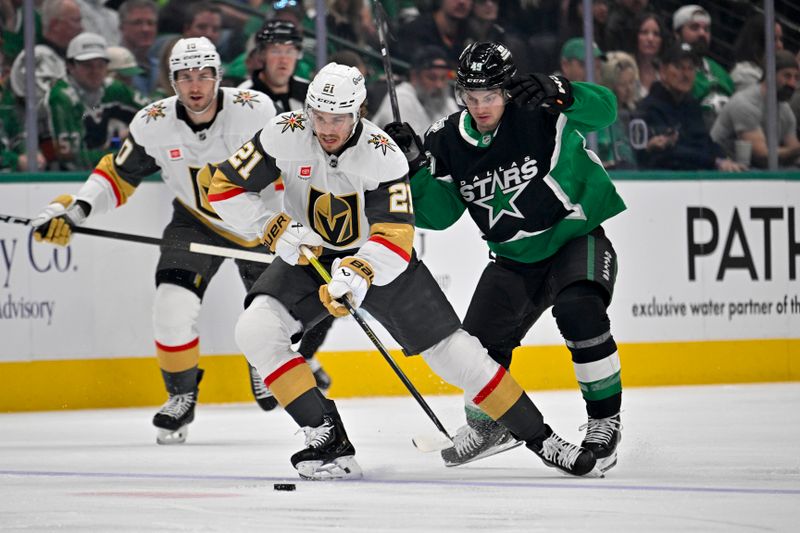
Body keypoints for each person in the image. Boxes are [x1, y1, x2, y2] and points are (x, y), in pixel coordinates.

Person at [207, 61, 601, 480]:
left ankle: (543, 439)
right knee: (255, 330)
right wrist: (271, 225)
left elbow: (395, 235)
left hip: (379, 261)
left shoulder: (382, 155)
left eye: (338, 118)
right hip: (310, 255)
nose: (326, 128)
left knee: (457, 355)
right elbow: (224, 187)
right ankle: (327, 438)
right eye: (318, 116)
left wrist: (357, 272)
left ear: (358, 112)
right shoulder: (283, 132)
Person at [30, 37, 330, 445]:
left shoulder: (255, 110)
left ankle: (264, 363)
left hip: (263, 222)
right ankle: (181, 395)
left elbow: (301, 157)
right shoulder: (152, 123)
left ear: (219, 77)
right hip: (195, 222)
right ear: (172, 82)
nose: (195, 85)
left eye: (204, 75)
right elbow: (118, 174)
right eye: (185, 76)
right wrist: (77, 210)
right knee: (171, 307)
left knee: (271, 316)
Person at [385, 41, 624, 472]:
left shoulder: (539, 108)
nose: (480, 107)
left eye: (490, 96)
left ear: (508, 90)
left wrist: (562, 90)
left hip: (575, 238)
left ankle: (605, 421)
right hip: (513, 260)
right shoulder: (444, 139)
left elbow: (606, 111)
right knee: (474, 350)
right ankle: (490, 426)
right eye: (471, 97)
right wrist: (416, 169)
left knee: (580, 309)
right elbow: (441, 216)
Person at [43, 32, 146, 170]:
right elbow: (70, 156)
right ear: (70, 66)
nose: (95, 71)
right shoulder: (61, 97)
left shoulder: (112, 88)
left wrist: (136, 131)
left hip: (105, 170)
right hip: (60, 176)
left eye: (100, 65)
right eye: (87, 65)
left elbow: (157, 111)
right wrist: (122, 154)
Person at [636, 41, 741, 171]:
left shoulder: (692, 105)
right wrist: (714, 162)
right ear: (662, 71)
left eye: (690, 68)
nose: (686, 74)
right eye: (679, 67)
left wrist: (724, 158)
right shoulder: (649, 108)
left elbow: (705, 141)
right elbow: (670, 154)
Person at [711, 50, 800, 169]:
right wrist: (795, 151)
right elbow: (762, 155)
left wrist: (795, 151)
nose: (792, 83)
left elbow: (793, 151)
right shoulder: (745, 103)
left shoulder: (785, 109)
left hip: (755, 169)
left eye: (796, 78)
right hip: (722, 169)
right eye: (787, 76)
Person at [371, 45, 459, 134]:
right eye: (432, 78)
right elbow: (407, 141)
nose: (439, 85)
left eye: (443, 78)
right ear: (414, 76)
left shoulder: (447, 102)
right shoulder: (400, 98)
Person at [672, 4, 733, 124]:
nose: (702, 33)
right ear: (677, 35)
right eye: (694, 28)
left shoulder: (719, 70)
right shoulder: (672, 70)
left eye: (706, 29)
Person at [238, 19, 308, 114]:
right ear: (262, 55)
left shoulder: (308, 91)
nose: (284, 60)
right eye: (275, 51)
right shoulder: (246, 94)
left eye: (290, 52)